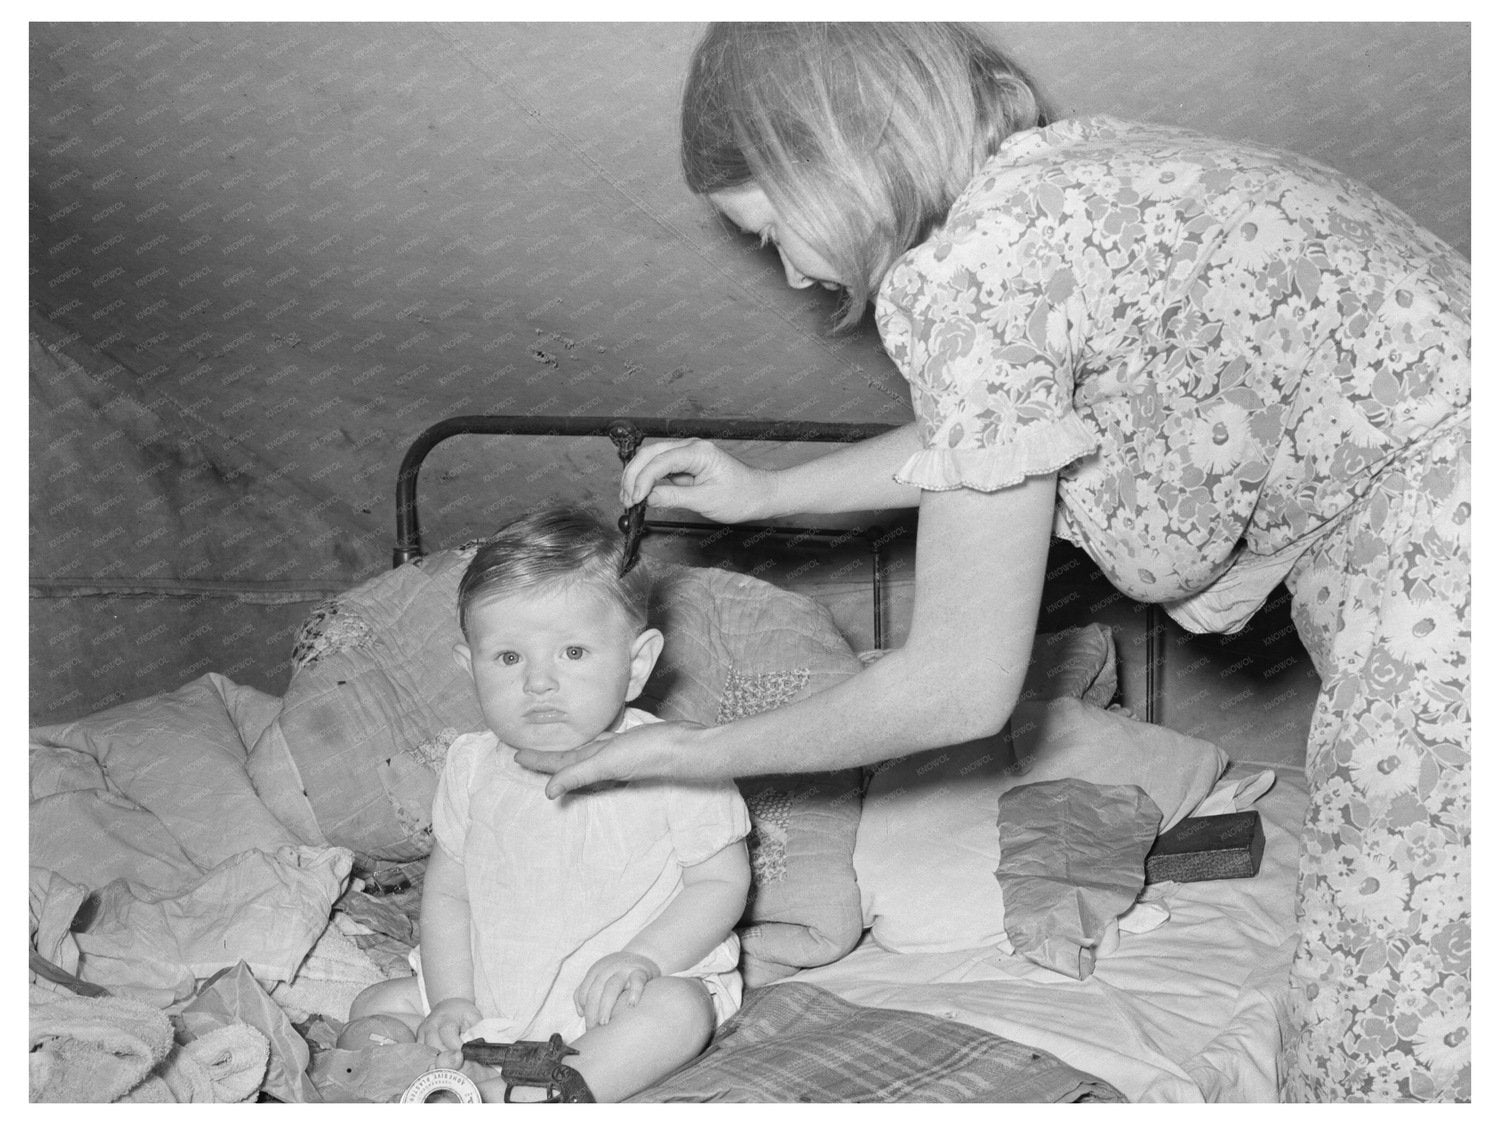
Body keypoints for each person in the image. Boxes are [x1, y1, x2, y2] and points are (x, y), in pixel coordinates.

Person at [514, 23, 1470, 1103]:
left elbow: (958, 687)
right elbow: (990, 438)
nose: (790, 272)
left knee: (1398, 1008)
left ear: (830, 155)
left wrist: (693, 752)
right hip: (1446, 528)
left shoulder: (964, 277)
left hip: (1448, 565)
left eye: (772, 227)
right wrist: (770, 493)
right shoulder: (1054, 190)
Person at [342, 506, 751, 1103]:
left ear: (636, 664)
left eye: (573, 653)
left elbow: (719, 883)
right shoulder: (470, 766)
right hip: (489, 997)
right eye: (509, 658)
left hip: (610, 997)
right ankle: (403, 1084)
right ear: (470, 668)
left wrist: (644, 958)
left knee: (679, 1012)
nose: (538, 682)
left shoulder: (676, 760)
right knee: (373, 1006)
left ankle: (537, 1097)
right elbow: (449, 895)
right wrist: (452, 998)